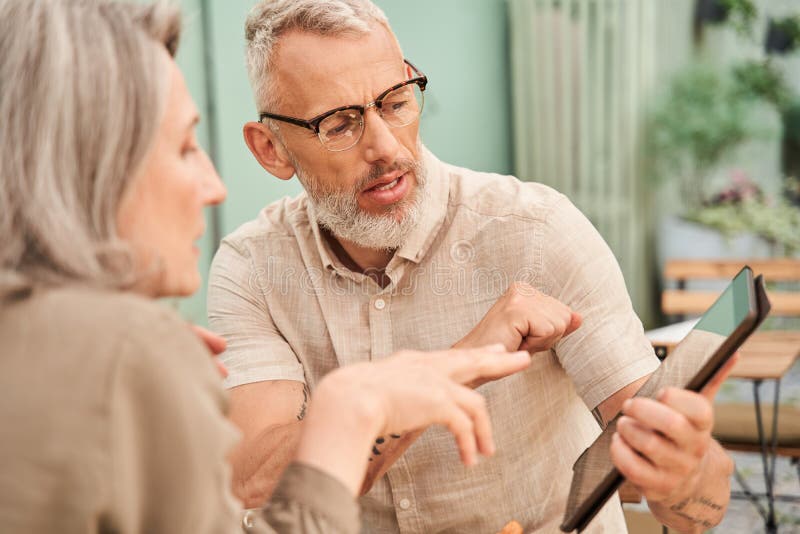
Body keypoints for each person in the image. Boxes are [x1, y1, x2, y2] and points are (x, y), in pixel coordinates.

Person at [0, 1, 535, 533]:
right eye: (186, 147)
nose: (214, 187)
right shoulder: (135, 345)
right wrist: (350, 408)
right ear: (95, 169)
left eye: (395, 102)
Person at [208, 0, 737, 532]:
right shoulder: (253, 267)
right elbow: (252, 475)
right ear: (271, 149)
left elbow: (696, 508)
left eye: (395, 102)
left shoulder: (537, 232)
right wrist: (462, 363)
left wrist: (686, 474)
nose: (386, 147)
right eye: (339, 124)